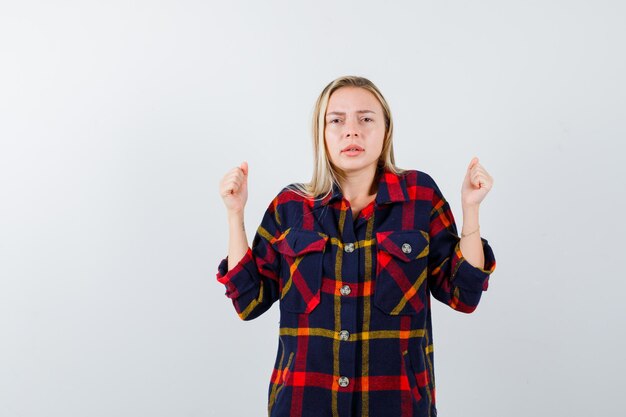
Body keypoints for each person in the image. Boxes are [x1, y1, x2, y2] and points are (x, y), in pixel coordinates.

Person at [216, 75, 496, 417]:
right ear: (321, 133)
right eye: (337, 120)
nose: (352, 131)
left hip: (399, 406)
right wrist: (235, 215)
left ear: (385, 130)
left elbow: (463, 295)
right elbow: (248, 302)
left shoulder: (419, 197)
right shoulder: (290, 207)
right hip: (303, 404)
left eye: (366, 119)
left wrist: (471, 209)